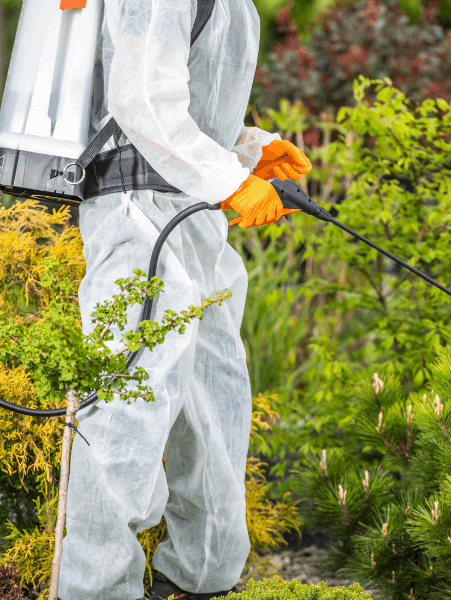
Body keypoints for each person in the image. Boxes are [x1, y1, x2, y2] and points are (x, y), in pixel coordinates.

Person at [56, 0, 312, 598]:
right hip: (134, 215)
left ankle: (203, 577)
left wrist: (246, 148)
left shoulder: (237, 6)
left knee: (216, 391)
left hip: (191, 214)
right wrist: (229, 180)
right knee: (129, 405)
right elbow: (138, 100)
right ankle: (96, 589)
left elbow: (182, 96)